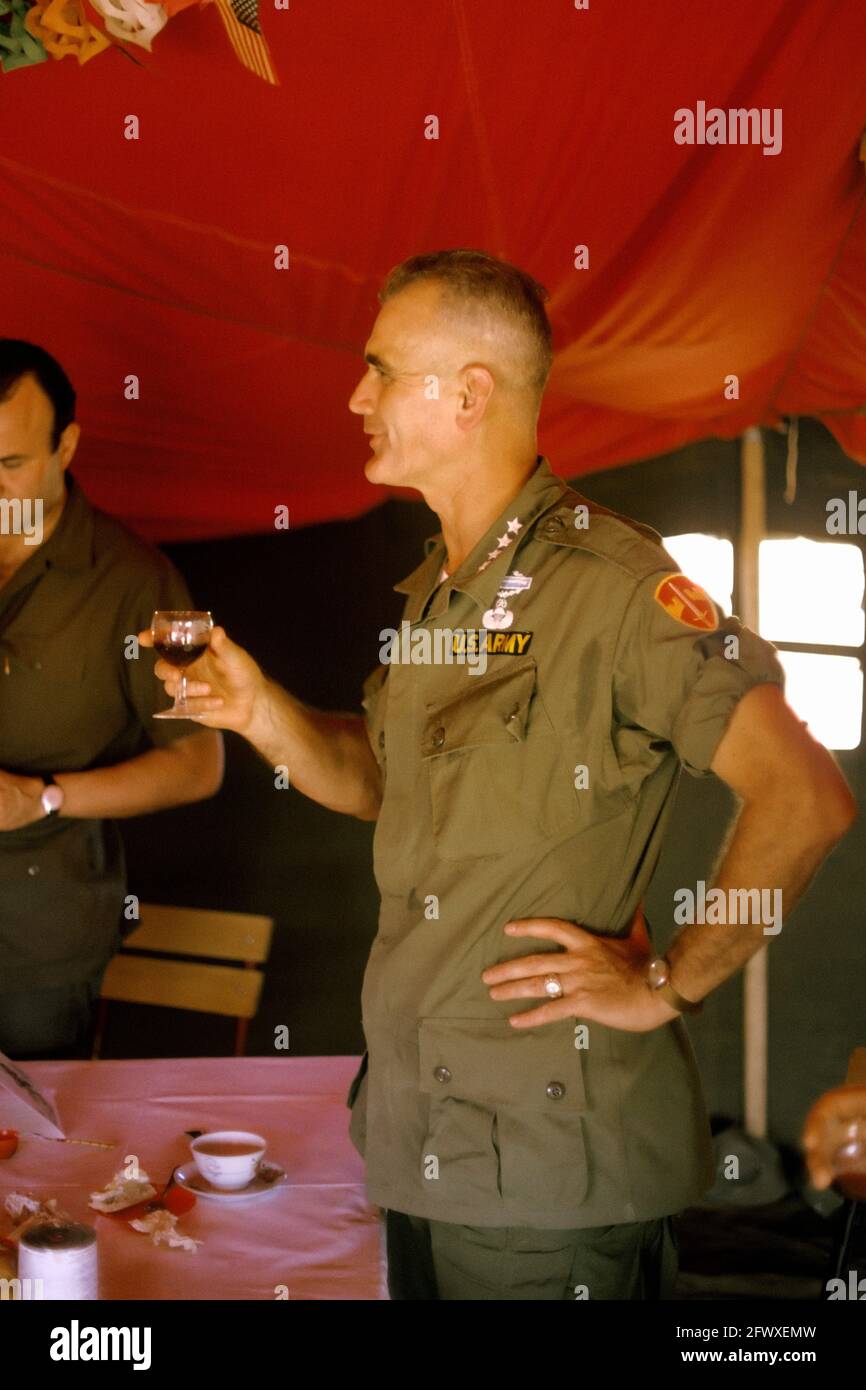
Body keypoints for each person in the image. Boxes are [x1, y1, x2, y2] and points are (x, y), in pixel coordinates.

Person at [140, 250, 857, 1300]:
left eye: (380, 367)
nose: (355, 393)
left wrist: (667, 981)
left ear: (469, 393)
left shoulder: (613, 589)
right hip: (427, 1145)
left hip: (546, 1173)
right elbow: (377, 778)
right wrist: (257, 710)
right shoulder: (440, 591)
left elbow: (805, 795)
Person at [0, 340, 224, 1059]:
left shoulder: (142, 582)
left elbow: (200, 762)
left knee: (29, 1160)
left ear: (66, 445)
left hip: (34, 944)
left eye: (9, 465)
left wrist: (45, 797)